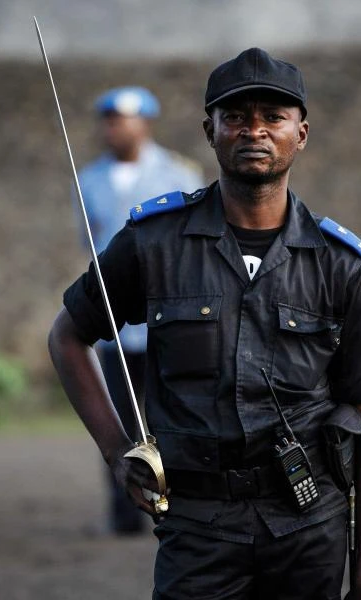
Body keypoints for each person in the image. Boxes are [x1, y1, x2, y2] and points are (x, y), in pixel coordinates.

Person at [49, 48, 361, 599]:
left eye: (273, 118)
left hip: (309, 528)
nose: (253, 131)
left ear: (301, 133)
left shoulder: (341, 267)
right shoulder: (153, 244)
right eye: (235, 117)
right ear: (209, 130)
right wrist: (117, 453)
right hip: (197, 530)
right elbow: (68, 336)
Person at [78, 86, 204, 535]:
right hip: (117, 323)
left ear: (145, 123)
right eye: (109, 120)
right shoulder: (88, 179)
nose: (114, 128)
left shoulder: (179, 174)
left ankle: (182, 504)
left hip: (169, 321)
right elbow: (89, 242)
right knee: (119, 419)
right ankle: (123, 512)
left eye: (124, 119)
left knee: (177, 414)